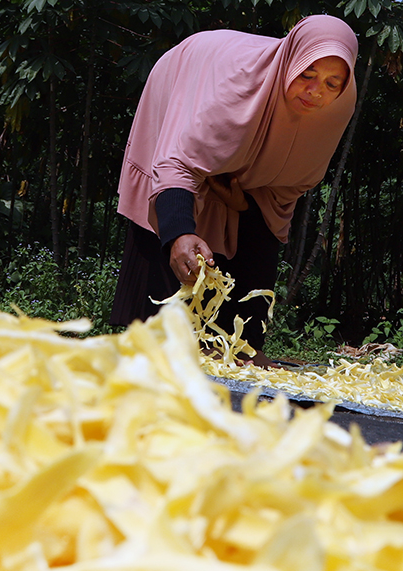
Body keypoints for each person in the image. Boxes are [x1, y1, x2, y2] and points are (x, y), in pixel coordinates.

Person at [110, 14, 358, 367]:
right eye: (307, 74)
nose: (317, 91)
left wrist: (243, 201)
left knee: (257, 221)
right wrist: (180, 232)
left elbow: (283, 194)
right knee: (171, 238)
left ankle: (238, 345)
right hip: (191, 75)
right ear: (291, 61)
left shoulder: (335, 110)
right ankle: (149, 337)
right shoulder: (233, 84)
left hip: (245, 163)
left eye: (333, 83)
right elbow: (177, 161)